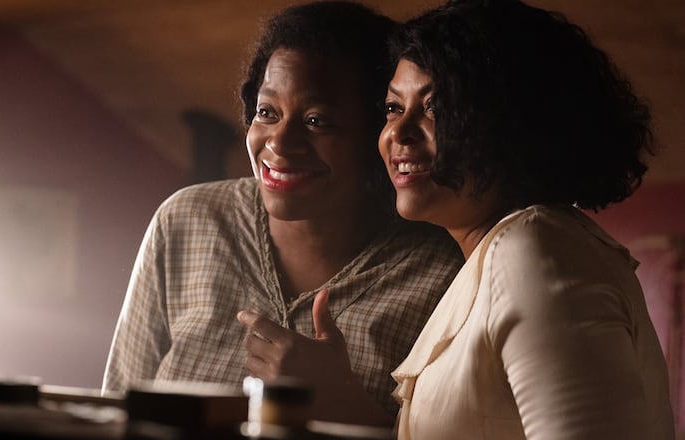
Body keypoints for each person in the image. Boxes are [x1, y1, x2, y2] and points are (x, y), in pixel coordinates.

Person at [102, 0, 463, 427]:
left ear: (378, 133)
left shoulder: (441, 272)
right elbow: (115, 413)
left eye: (317, 120)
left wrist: (344, 403)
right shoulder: (186, 222)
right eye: (267, 112)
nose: (279, 143)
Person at [378, 0, 674, 438]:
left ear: (512, 122)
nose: (397, 133)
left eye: (436, 107)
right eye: (393, 107)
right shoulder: (500, 253)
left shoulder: (533, 250)